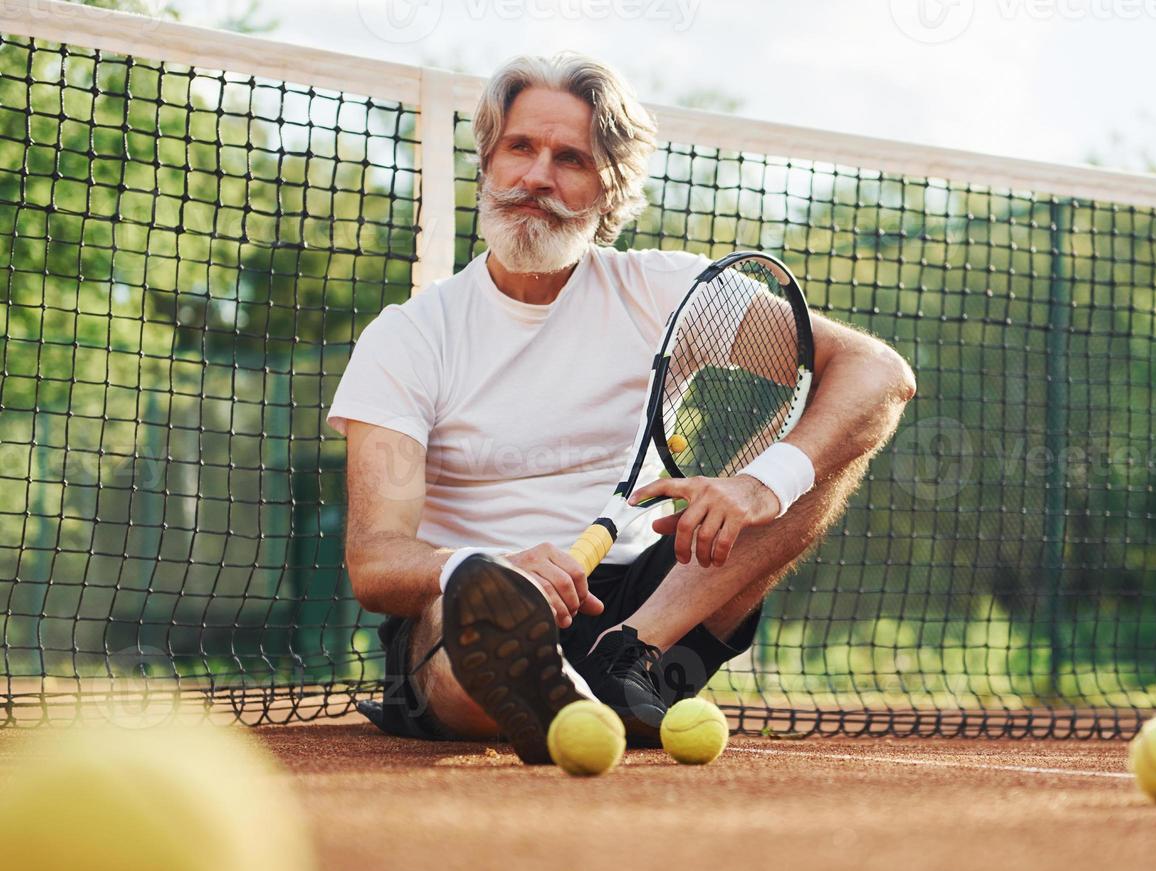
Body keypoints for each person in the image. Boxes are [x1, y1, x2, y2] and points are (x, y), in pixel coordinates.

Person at [329, 52, 915, 764]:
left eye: (571, 159)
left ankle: (625, 659)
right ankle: (527, 684)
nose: (538, 176)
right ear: (487, 160)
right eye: (521, 148)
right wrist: (489, 568)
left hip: (649, 599)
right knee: (470, 607)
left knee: (824, 449)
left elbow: (878, 374)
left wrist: (762, 484)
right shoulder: (409, 336)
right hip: (466, 613)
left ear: (609, 191)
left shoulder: (664, 292)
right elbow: (376, 561)